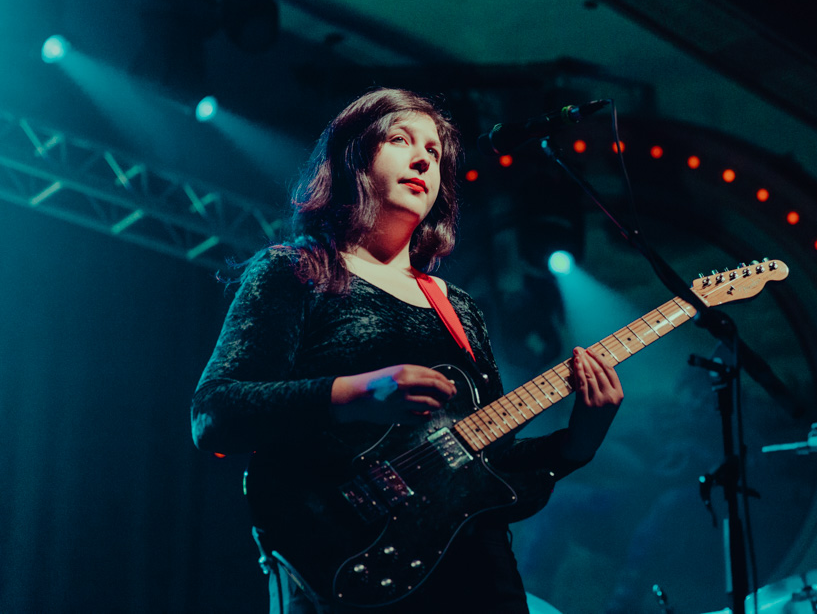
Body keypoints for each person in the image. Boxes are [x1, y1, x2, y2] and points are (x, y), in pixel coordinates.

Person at [191, 87, 623, 613]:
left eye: (436, 153)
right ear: (352, 158)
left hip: (479, 579)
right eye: (401, 139)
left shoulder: (459, 308)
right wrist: (356, 393)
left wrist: (579, 441)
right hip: (351, 561)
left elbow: (491, 467)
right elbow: (215, 413)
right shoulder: (294, 271)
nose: (423, 157)